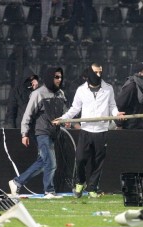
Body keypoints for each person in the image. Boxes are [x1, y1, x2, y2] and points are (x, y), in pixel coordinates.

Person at [53, 63, 125, 198]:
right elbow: (75, 108)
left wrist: (117, 114)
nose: (99, 75)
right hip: (86, 130)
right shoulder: (81, 90)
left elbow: (112, 106)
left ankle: (92, 188)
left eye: (100, 72)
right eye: (96, 72)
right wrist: (62, 119)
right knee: (80, 159)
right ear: (90, 73)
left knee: (97, 162)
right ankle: (80, 182)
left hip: (101, 130)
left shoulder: (108, 89)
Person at [9, 67, 68, 199]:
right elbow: (28, 114)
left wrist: (66, 120)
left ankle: (17, 182)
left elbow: (64, 112)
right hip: (42, 133)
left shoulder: (61, 94)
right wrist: (24, 133)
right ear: (49, 77)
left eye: (60, 77)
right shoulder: (38, 93)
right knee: (51, 163)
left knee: (43, 163)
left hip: (53, 133)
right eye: (56, 77)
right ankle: (49, 191)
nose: (59, 79)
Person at [115, 62, 143, 130]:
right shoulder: (131, 87)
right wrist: (119, 124)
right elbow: (119, 105)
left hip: (142, 127)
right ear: (140, 73)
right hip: (130, 128)